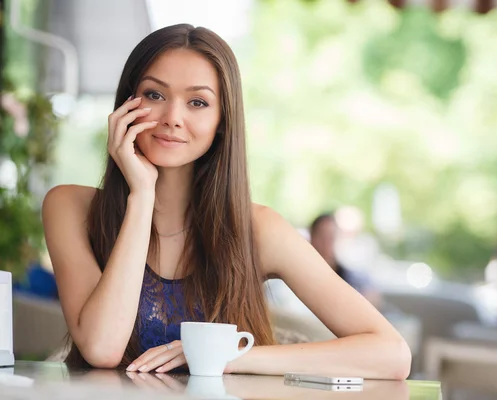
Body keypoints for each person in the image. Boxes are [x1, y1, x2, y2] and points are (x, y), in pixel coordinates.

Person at [42, 24, 411, 378]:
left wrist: (227, 357)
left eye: (198, 102)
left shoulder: (258, 229)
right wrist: (142, 195)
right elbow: (102, 348)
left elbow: (391, 354)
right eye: (155, 95)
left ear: (222, 120)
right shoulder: (70, 207)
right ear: (127, 104)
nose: (173, 118)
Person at [309, 213, 382, 308]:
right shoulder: (302, 276)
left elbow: (372, 295)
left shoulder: (352, 277)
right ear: (311, 237)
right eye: (322, 236)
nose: (326, 242)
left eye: (331, 236)